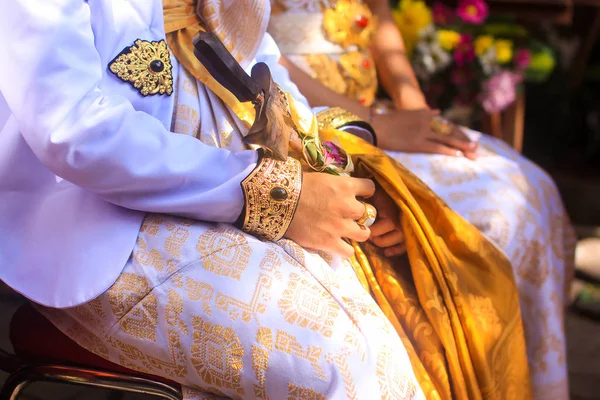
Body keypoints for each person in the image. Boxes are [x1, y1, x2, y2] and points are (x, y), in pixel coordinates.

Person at [0, 0, 532, 398]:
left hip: (237, 181)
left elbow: (260, 67)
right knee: (346, 363)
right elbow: (75, 131)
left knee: (422, 300)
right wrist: (271, 195)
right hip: (101, 226)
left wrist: (347, 176)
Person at [269, 0, 576, 397]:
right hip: (308, 123)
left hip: (376, 113)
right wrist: (375, 124)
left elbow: (376, 13)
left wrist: (412, 104)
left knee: (531, 190)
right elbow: (258, 54)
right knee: (488, 216)